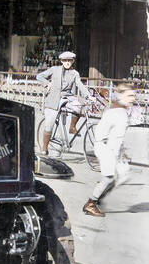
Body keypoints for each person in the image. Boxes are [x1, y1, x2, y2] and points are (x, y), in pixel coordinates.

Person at [83, 83, 136, 217]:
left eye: (133, 96)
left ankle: (98, 197)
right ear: (120, 96)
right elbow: (102, 134)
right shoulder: (114, 112)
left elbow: (118, 136)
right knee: (108, 177)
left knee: (122, 175)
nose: (132, 99)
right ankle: (91, 204)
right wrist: (108, 153)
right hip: (105, 147)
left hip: (113, 149)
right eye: (129, 96)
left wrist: (121, 152)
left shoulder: (122, 111)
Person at [36, 51, 91, 155]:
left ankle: (72, 127)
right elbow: (39, 77)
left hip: (67, 98)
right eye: (65, 60)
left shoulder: (75, 74)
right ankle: (44, 148)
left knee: (78, 106)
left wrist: (88, 96)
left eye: (69, 60)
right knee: (49, 125)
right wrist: (47, 83)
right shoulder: (54, 69)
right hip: (53, 99)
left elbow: (80, 85)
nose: (67, 62)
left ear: (73, 61)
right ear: (61, 61)